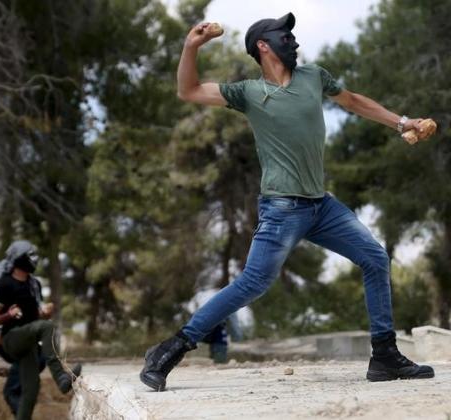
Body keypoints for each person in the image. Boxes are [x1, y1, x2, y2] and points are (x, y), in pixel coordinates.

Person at [140, 12, 435, 391]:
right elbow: (189, 90)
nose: (293, 41)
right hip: (282, 208)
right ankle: (171, 349)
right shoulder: (247, 93)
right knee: (252, 284)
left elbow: (353, 101)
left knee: (375, 258)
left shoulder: (313, 76)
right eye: (285, 35)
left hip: (321, 206)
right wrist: (190, 47)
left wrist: (401, 122)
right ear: (264, 45)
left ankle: (384, 356)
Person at [0, 240, 81, 420]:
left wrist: (45, 313)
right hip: (11, 338)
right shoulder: (5, 284)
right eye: (31, 255)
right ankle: (61, 377)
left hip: (28, 342)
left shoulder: (34, 284)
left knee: (30, 391)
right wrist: (8, 315)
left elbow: (36, 321)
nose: (35, 259)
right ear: (19, 258)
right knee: (47, 327)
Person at [0, 324, 46, 415]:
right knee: (19, 392)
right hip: (39, 359)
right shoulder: (6, 344)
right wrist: (9, 372)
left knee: (10, 392)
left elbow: (0, 337)